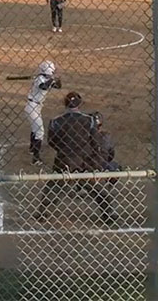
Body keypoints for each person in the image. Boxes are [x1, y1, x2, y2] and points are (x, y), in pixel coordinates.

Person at [34, 92, 119, 226]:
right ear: (80, 104)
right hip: (85, 160)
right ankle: (108, 213)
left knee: (54, 186)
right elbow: (95, 142)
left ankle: (43, 213)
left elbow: (52, 141)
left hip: (65, 159)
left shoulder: (56, 121)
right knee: (96, 188)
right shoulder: (89, 120)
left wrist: (64, 149)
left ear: (65, 104)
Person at [24, 60, 62, 166]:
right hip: (32, 106)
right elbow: (43, 87)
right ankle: (35, 159)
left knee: (35, 129)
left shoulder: (46, 79)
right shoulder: (40, 79)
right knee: (40, 131)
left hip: (36, 107)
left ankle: (32, 149)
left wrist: (57, 80)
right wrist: (51, 80)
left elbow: (59, 87)